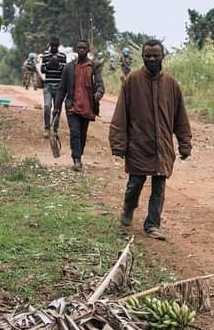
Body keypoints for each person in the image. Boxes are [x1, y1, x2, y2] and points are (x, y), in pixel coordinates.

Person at [109, 39, 193, 241]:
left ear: (163, 56)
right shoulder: (132, 81)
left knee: (159, 186)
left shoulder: (171, 84)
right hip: (138, 144)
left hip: (162, 145)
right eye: (148, 55)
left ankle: (152, 224)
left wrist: (184, 143)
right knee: (135, 183)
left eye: (156, 55)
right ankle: (128, 209)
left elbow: (180, 117)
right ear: (143, 57)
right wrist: (118, 143)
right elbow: (121, 114)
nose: (152, 59)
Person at [60, 40, 104, 172]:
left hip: (87, 107)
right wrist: (57, 108)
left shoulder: (93, 67)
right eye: (79, 48)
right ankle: (77, 159)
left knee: (82, 135)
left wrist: (98, 94)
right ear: (76, 49)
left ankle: (79, 154)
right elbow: (62, 89)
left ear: (88, 50)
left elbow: (100, 85)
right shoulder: (68, 68)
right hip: (72, 107)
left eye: (84, 48)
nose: (81, 50)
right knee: (75, 133)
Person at [40, 37, 67, 157]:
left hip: (59, 85)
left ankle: (55, 130)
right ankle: (47, 129)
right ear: (50, 45)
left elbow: (64, 71)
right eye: (52, 46)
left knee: (57, 109)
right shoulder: (45, 55)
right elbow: (42, 69)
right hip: (48, 85)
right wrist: (49, 65)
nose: (54, 48)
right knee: (47, 106)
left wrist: (58, 66)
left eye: (56, 46)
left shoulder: (62, 56)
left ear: (58, 46)